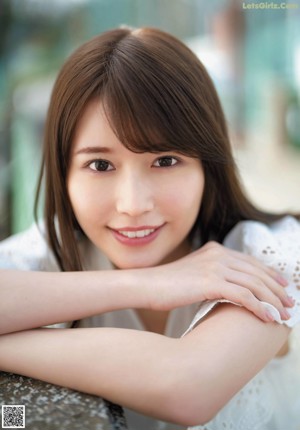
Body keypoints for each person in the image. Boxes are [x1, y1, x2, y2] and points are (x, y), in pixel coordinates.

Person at [0, 26, 299, 430]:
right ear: (63, 174)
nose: (134, 205)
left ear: (207, 166)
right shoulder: (51, 250)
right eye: (100, 165)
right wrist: (149, 283)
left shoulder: (268, 256)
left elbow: (189, 387)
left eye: (165, 160)